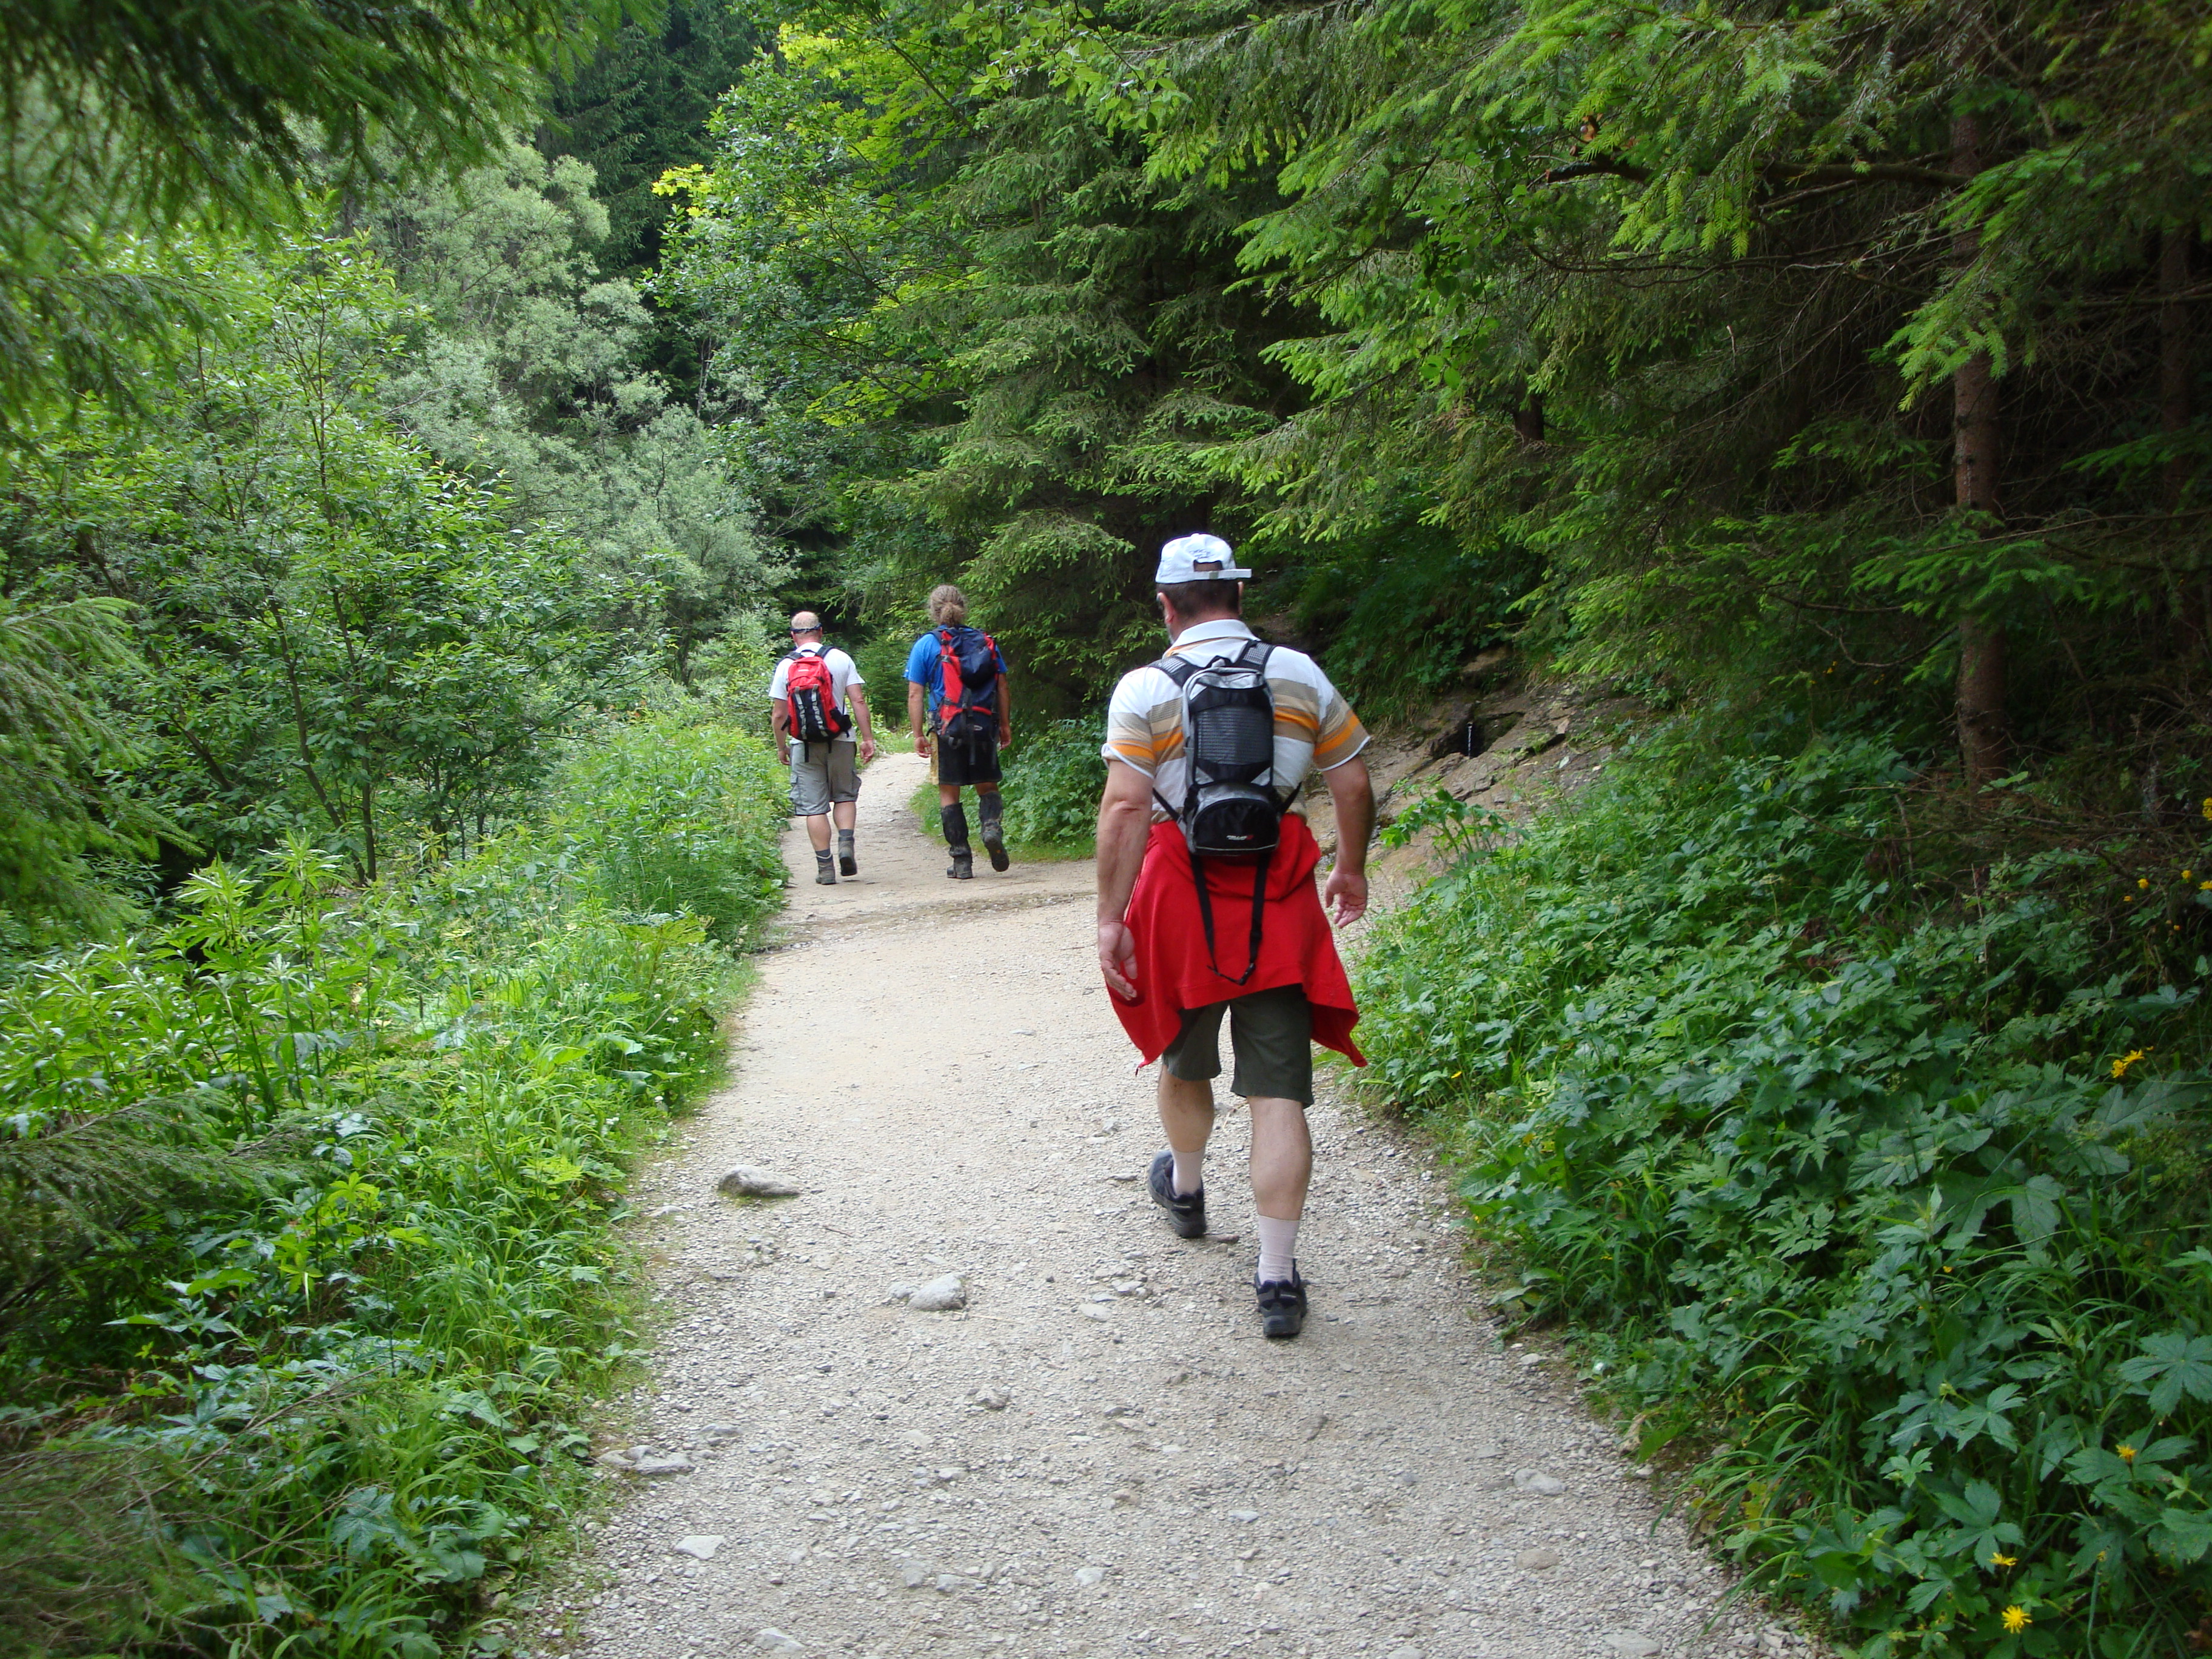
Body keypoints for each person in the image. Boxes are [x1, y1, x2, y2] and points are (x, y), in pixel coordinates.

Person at [1094, 534, 1375, 1338]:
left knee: (1185, 1061)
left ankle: (1186, 1190)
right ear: (1240, 597)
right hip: (1275, 901)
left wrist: (1110, 919)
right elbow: (1352, 781)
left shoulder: (1146, 688)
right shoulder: (1299, 674)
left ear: (1166, 606)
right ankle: (1278, 1278)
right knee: (1277, 1094)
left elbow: (1125, 808)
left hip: (1180, 900)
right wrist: (1351, 868)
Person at [905, 584, 1013, 880]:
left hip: (946, 728)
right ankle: (991, 827)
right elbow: (1002, 686)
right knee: (987, 786)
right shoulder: (984, 641)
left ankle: (962, 861)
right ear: (963, 607)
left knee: (949, 792)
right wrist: (1004, 725)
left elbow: (915, 693)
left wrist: (918, 733)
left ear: (933, 611)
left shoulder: (926, 645)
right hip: (983, 725)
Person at [769, 611, 876, 885]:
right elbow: (858, 701)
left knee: (814, 808)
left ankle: (826, 868)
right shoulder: (840, 658)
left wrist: (781, 747)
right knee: (844, 796)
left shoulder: (785, 665)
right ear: (821, 631)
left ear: (793, 636)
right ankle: (846, 845)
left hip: (803, 744)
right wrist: (868, 738)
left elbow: (779, 714)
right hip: (841, 739)